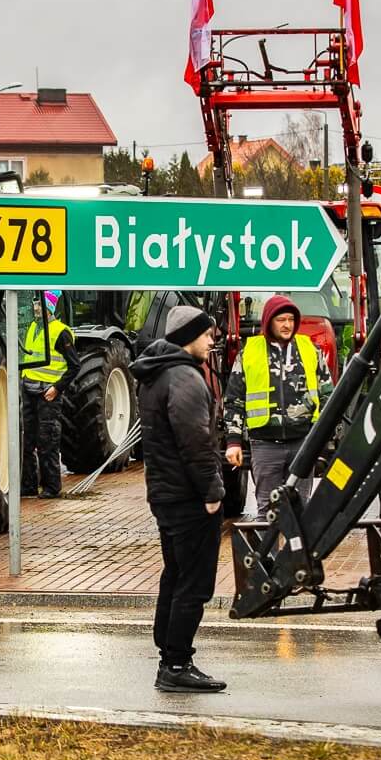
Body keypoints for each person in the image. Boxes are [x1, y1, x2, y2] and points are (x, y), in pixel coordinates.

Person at [132, 305, 227, 693]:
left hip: (164, 493)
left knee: (174, 575)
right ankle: (176, 664)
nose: (211, 341)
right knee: (194, 583)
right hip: (189, 497)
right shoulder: (184, 377)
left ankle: (169, 656)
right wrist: (212, 491)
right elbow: (196, 443)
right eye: (206, 335)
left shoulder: (155, 374)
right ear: (188, 336)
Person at [224, 294, 331, 518]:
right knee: (267, 509)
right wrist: (233, 441)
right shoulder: (249, 353)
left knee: (300, 509)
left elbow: (328, 395)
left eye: (291, 320)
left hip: (302, 442)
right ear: (268, 322)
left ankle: (296, 543)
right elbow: (234, 400)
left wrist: (323, 437)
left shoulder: (310, 350)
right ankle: (268, 543)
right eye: (281, 320)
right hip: (264, 444)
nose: (287, 325)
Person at [20, 290, 83, 498]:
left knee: (47, 440)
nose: (35, 308)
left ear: (49, 308)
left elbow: (74, 366)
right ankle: (29, 485)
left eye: (39, 304)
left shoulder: (60, 332)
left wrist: (57, 388)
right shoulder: (32, 327)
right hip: (29, 389)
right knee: (27, 441)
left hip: (48, 393)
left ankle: (52, 487)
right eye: (35, 304)